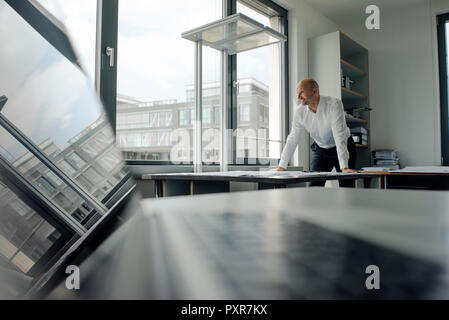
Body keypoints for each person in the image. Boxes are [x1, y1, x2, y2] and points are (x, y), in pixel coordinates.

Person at [276, 78, 357, 187]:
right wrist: (281, 166)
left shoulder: (334, 104)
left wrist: (344, 167)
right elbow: (293, 138)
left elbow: (339, 135)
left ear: (314, 91)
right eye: (298, 93)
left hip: (344, 146)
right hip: (321, 150)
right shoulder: (300, 111)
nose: (299, 97)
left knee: (347, 188)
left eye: (302, 92)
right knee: (313, 186)